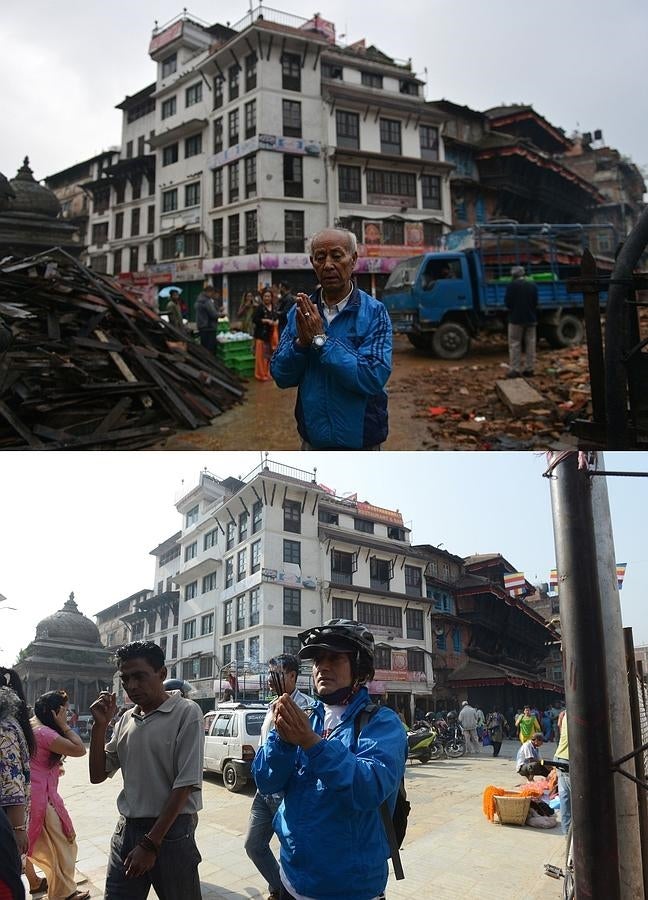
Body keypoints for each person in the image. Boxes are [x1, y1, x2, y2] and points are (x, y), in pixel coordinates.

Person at [252, 619, 407, 900]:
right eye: (318, 660)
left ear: (359, 668)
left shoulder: (383, 723)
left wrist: (311, 743)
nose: (322, 666)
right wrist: (283, 742)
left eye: (334, 658)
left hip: (349, 888)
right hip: (291, 879)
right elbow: (266, 781)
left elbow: (368, 788)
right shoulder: (307, 716)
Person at [89, 640, 203, 900]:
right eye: (126, 678)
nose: (131, 686)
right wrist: (100, 727)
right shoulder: (126, 719)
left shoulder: (186, 712)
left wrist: (151, 843)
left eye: (139, 676)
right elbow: (97, 775)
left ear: (162, 674)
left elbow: (184, 784)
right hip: (127, 830)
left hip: (171, 833)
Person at [270, 228, 393, 450]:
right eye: (320, 258)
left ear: (353, 259)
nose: (328, 265)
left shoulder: (375, 312)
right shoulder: (299, 313)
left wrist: (320, 340)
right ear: (312, 263)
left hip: (362, 442)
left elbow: (373, 376)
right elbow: (280, 375)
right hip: (312, 441)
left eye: (337, 256)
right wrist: (301, 345)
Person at [244, 655, 311, 900]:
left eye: (277, 674)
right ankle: (278, 886)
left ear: (293, 675)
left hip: (285, 793)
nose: (271, 680)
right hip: (263, 793)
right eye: (269, 674)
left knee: (291, 850)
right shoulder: (271, 705)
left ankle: (285, 891)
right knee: (253, 845)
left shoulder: (306, 707)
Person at [28, 690, 89, 900]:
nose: (68, 713)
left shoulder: (31, 725)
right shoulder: (45, 732)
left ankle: (43, 887)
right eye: (65, 710)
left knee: (44, 845)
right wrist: (64, 725)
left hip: (34, 796)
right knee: (63, 846)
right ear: (55, 712)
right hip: (42, 800)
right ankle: (64, 895)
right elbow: (80, 749)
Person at [0, 668, 35, 900]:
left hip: (6, 825)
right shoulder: (11, 723)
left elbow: (12, 782)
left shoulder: (3, 728)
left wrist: (17, 830)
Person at [504, 265, 538, 378]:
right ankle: (530, 369)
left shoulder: (511, 286)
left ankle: (515, 369)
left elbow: (508, 303)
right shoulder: (532, 285)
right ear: (523, 274)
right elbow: (535, 302)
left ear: (513, 275)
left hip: (515, 319)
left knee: (514, 344)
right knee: (531, 344)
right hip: (531, 319)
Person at [253, 289, 279, 382]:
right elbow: (255, 319)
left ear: (271, 297)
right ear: (262, 297)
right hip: (261, 335)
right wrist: (265, 320)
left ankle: (267, 373)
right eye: (265, 296)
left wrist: (276, 321)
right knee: (261, 356)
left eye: (268, 296)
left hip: (271, 336)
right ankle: (260, 374)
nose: (267, 298)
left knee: (269, 356)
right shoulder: (260, 308)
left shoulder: (274, 307)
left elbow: (276, 317)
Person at [553, 709, 570, 834]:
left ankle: (567, 835)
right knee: (576, 799)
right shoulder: (578, 710)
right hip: (569, 760)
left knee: (565, 800)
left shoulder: (564, 714)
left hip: (560, 757)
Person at [195, 284, 220, 352]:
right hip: (209, 327)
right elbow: (213, 314)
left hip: (202, 326)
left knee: (204, 347)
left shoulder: (199, 300)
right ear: (208, 292)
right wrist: (221, 315)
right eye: (212, 293)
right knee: (210, 349)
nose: (212, 295)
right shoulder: (206, 301)